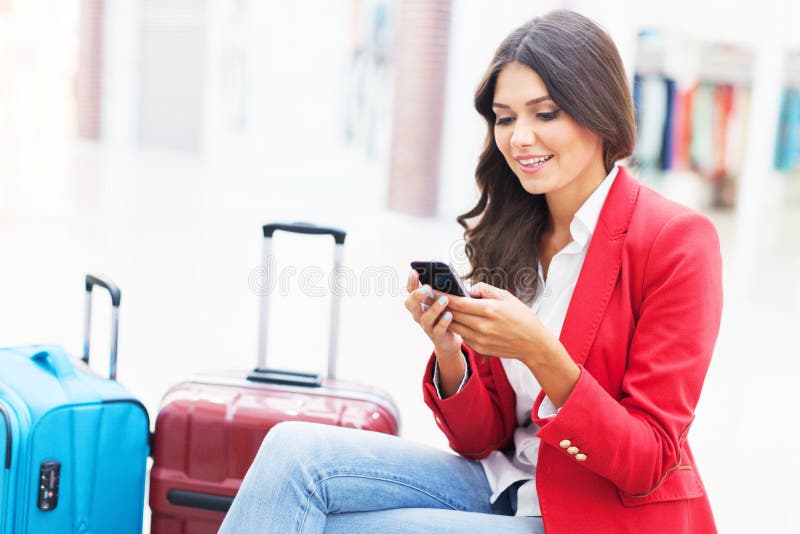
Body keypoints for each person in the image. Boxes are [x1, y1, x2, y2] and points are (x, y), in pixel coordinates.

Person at [219, 9, 722, 533]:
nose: (520, 138)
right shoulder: (512, 233)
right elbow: (481, 440)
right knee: (293, 452)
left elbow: (647, 461)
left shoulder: (676, 242)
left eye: (544, 114)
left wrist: (538, 351)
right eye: (505, 118)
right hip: (501, 485)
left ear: (599, 112)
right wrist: (449, 352)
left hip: (597, 514)